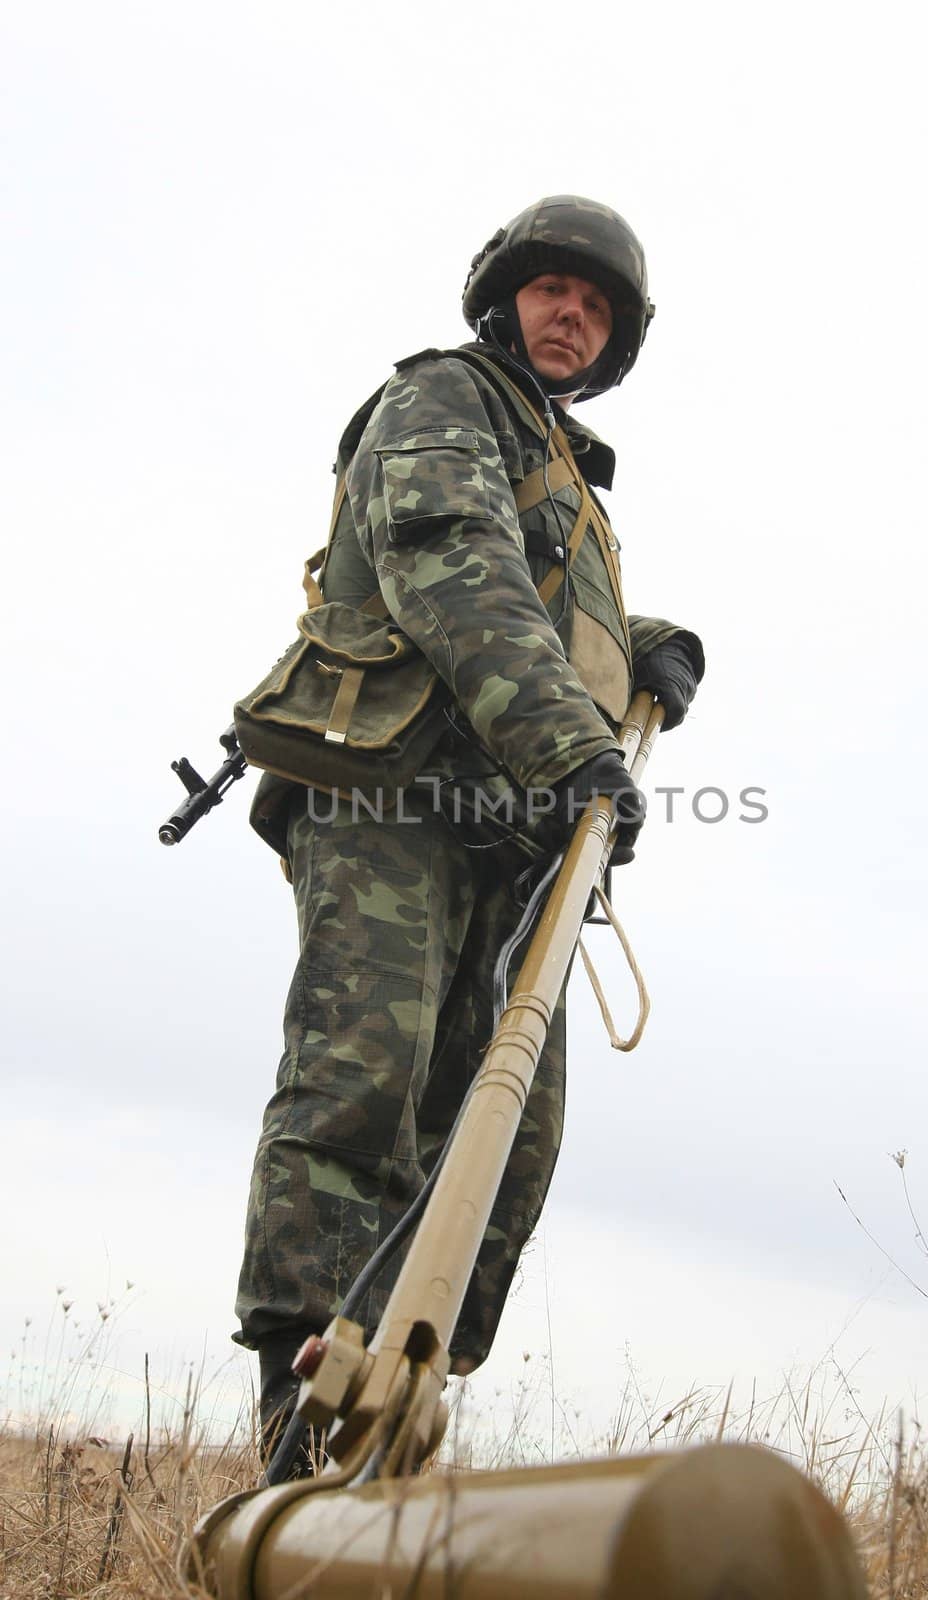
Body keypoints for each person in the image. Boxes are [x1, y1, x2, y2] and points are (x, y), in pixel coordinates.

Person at [233, 195, 705, 1450]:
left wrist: (641, 646)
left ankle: (399, 1408)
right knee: (362, 1092)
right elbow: (453, 559)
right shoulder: (446, 396)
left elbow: (555, 614)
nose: (574, 316)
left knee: (506, 1139)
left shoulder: (575, 484)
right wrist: (575, 749)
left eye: (598, 307)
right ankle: (301, 1402)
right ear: (508, 295)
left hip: (519, 835)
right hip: (395, 798)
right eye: (556, 289)